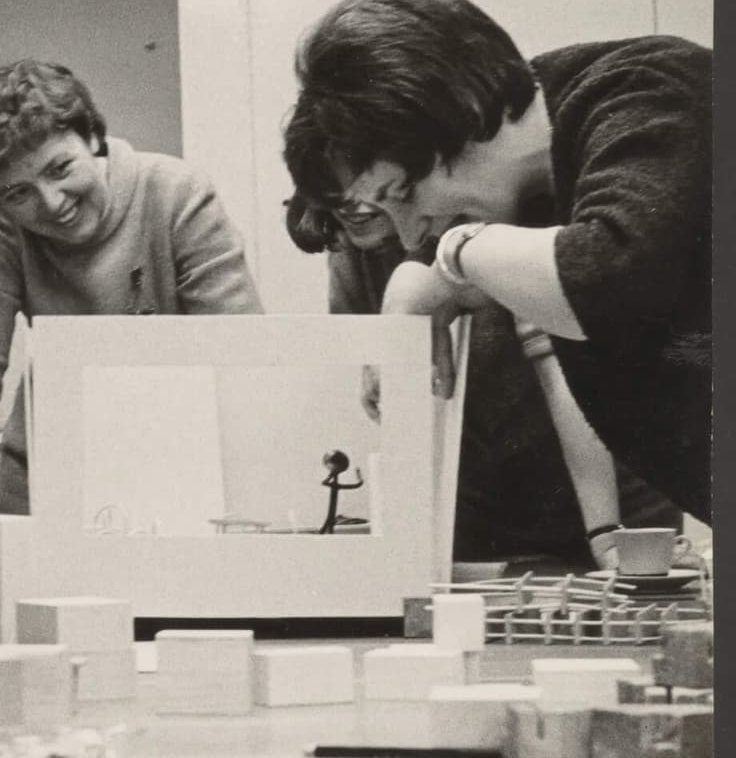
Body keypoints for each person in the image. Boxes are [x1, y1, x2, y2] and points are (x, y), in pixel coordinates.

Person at [282, 0, 710, 522]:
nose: (412, 236)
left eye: (404, 194)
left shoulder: (650, 85)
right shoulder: (532, 199)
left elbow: (603, 282)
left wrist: (458, 254)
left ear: (459, 113)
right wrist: (426, 288)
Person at [0, 59, 264, 598]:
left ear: (93, 137)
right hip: (47, 495)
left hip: (187, 492)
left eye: (59, 168)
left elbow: (245, 361)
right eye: (18, 193)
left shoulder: (176, 193)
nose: (51, 203)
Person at [284, 192, 678, 567]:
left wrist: (605, 530)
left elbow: (560, 370)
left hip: (615, 485)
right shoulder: (352, 244)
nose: (354, 201)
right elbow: (396, 406)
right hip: (478, 507)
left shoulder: (491, 221)